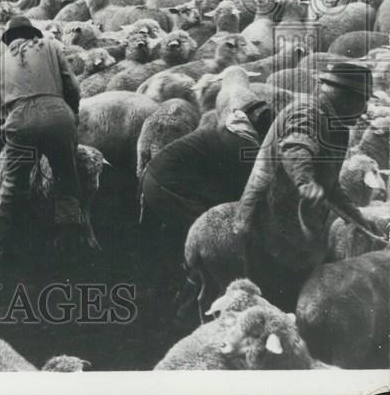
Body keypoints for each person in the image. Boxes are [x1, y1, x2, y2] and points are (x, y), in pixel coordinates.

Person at [235, 62, 383, 310]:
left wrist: (360, 221)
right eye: (362, 100)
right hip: (268, 223)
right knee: (274, 302)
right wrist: (304, 180)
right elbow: (296, 147)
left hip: (298, 228)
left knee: (300, 297)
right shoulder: (307, 113)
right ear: (344, 96)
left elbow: (331, 185)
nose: (365, 109)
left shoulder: (337, 126)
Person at [0, 15, 84, 261]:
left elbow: (1, 108)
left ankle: (3, 241)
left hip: (20, 119)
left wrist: (16, 122)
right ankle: (67, 241)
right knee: (66, 176)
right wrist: (72, 113)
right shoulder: (50, 46)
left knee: (11, 181)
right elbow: (72, 85)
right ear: (32, 34)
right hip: (57, 114)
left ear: (8, 40)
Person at [141, 99, 274, 233]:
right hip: (165, 186)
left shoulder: (230, 127)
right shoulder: (242, 143)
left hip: (154, 177)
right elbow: (247, 189)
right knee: (207, 230)